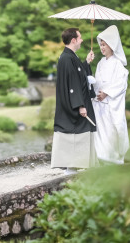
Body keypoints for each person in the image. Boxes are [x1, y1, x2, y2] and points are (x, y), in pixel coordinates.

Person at [51, 28, 98, 174]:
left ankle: (74, 166)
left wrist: (87, 62)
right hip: (74, 105)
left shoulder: (71, 57)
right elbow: (72, 84)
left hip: (76, 102)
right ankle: (70, 168)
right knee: (74, 134)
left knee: (80, 133)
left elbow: (78, 76)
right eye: (80, 38)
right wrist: (80, 105)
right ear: (73, 40)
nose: (82, 40)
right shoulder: (66, 58)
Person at [92, 25, 129, 164]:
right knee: (100, 134)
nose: (102, 48)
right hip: (99, 104)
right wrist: (96, 92)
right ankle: (102, 160)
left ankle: (115, 161)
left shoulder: (118, 64)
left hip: (111, 105)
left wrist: (106, 93)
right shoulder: (101, 63)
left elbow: (121, 84)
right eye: (100, 44)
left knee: (114, 131)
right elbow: (98, 83)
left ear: (111, 45)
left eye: (104, 44)